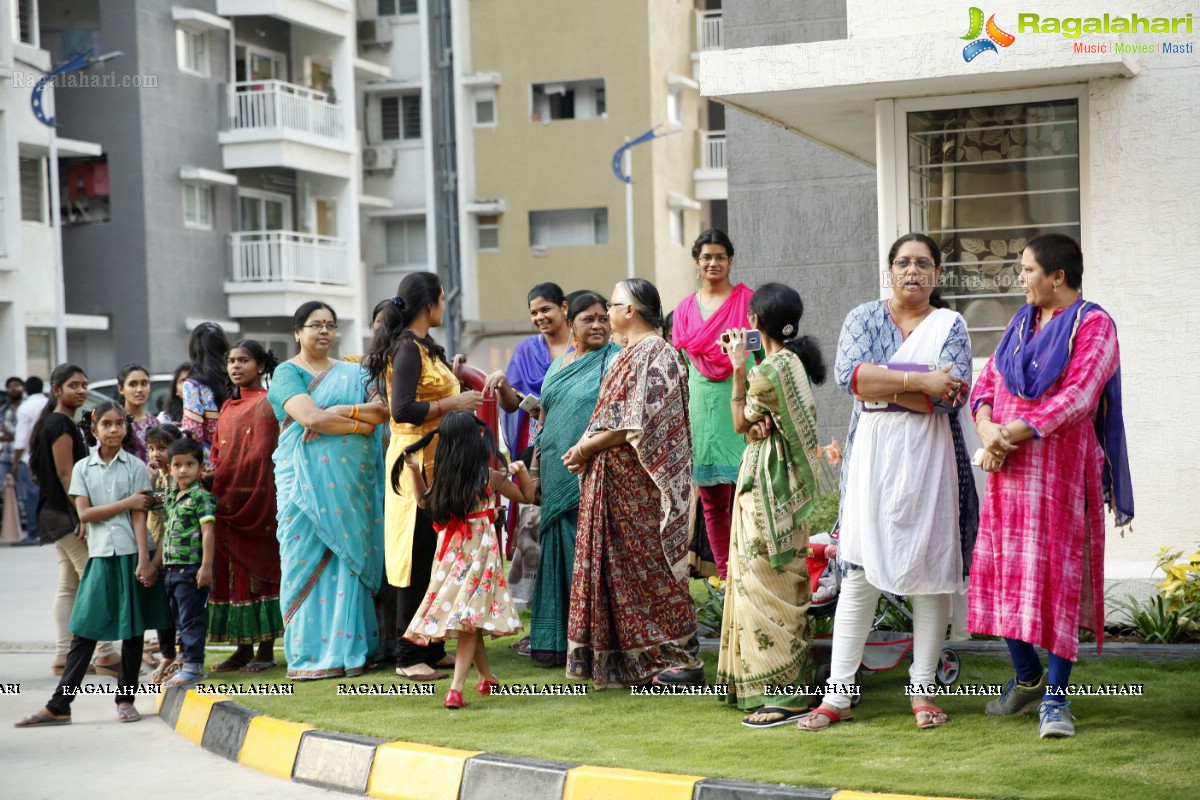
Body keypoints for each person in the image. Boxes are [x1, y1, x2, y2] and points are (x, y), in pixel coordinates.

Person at [800, 233, 976, 732]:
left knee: (930, 572)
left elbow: (952, 396)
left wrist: (888, 386)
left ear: (937, 275)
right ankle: (837, 696)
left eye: (923, 263)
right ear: (890, 270)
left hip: (931, 456)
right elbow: (852, 380)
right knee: (859, 573)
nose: (913, 271)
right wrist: (921, 381)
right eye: (904, 262)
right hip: (872, 456)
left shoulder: (951, 325)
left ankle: (922, 692)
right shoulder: (863, 317)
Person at [969, 233, 1131, 739]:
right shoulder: (1020, 323)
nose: (1020, 277)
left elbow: (1079, 397)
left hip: (1060, 472)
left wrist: (1007, 435)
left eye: (1027, 269)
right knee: (1001, 575)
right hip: (1007, 473)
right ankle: (1027, 676)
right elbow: (986, 385)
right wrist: (988, 429)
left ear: (1057, 276)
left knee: (1057, 580)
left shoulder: (1093, 325)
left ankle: (1056, 702)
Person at [563, 279, 702, 689]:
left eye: (614, 303)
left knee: (649, 570)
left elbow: (635, 423)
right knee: (618, 572)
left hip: (640, 488)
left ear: (633, 310)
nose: (607, 310)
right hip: (613, 483)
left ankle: (675, 658)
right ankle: (626, 660)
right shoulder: (629, 353)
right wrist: (587, 449)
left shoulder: (655, 353)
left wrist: (587, 447)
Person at [15, 401, 170, 726]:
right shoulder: (83, 468)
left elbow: (140, 515)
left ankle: (126, 700)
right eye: (107, 424)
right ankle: (60, 705)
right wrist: (126, 502)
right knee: (84, 628)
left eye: (119, 424)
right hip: (100, 556)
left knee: (133, 631)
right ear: (95, 428)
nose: (114, 430)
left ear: (126, 428)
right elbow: (85, 513)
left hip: (131, 553)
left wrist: (144, 559)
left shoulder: (136, 467)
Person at [715, 283, 827, 726]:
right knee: (784, 584)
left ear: (755, 321)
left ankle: (786, 696)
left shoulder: (766, 372)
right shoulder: (790, 363)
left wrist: (738, 369)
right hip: (782, 491)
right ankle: (786, 685)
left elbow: (741, 421)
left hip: (766, 491)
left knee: (763, 587)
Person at [365, 272, 482, 681]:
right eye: (443, 298)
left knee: (437, 554)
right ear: (429, 304)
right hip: (414, 459)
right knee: (415, 556)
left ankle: (431, 647)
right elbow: (402, 411)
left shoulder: (423, 347)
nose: (444, 306)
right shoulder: (407, 349)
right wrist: (456, 401)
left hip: (438, 459)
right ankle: (407, 652)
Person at [269, 301, 389, 679]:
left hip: (350, 484)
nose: (324, 331)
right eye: (315, 325)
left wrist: (338, 415)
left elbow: (382, 413)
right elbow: (309, 417)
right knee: (302, 559)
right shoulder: (287, 373)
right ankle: (309, 658)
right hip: (300, 488)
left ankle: (352, 653)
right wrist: (356, 422)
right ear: (297, 332)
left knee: (348, 560)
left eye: (330, 325)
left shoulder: (356, 372)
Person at [398, 411, 534, 708]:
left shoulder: (445, 479)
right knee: (469, 622)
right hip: (480, 560)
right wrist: (522, 470)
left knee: (469, 620)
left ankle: (487, 678)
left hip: (450, 558)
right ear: (475, 442)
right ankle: (456, 689)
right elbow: (527, 496)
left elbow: (423, 503)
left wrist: (413, 471)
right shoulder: (490, 477)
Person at [522, 292, 618, 666]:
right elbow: (543, 422)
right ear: (572, 323)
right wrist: (534, 470)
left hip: (596, 477)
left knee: (589, 556)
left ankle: (594, 643)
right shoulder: (559, 364)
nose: (597, 325)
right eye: (588, 319)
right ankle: (553, 641)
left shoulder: (615, 362)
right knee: (558, 551)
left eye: (603, 318)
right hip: (554, 472)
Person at [673, 229, 756, 581]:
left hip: (743, 403)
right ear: (696, 263)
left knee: (749, 497)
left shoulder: (750, 302)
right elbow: (679, 365)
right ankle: (725, 577)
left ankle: (753, 571)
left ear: (730, 260)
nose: (713, 263)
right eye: (706, 257)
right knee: (712, 502)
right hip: (702, 410)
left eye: (720, 256)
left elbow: (765, 355)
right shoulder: (684, 310)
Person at [28, 365, 121, 676]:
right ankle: (106, 654)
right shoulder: (60, 424)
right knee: (95, 581)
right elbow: (68, 475)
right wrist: (83, 513)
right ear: (57, 390)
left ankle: (63, 655)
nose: (81, 391)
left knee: (69, 584)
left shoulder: (58, 421)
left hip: (55, 512)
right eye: (73, 386)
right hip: (64, 514)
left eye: (84, 385)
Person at [207, 340, 283, 674]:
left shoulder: (268, 405)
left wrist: (224, 474)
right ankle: (241, 648)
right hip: (227, 503)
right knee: (234, 576)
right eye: (232, 361)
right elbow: (217, 453)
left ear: (262, 367)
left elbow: (262, 454)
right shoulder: (227, 407)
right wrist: (210, 474)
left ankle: (265, 648)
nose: (236, 366)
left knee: (260, 574)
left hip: (259, 502)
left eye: (245, 361)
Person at [158, 436, 216, 687]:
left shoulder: (201, 497)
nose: (183, 470)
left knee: (192, 620)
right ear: (169, 468)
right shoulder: (171, 498)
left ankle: (194, 666)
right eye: (177, 465)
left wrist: (206, 567)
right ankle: (183, 663)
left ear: (201, 467)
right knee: (178, 621)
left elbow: (208, 532)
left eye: (190, 464)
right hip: (171, 570)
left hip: (191, 569)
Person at [502, 283, 572, 459]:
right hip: (534, 443)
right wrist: (501, 383)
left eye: (545, 309)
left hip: (574, 436)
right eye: (534, 313)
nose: (540, 317)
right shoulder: (526, 349)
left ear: (564, 307)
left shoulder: (582, 347)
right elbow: (511, 405)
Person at [144, 423, 182, 682]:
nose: (156, 454)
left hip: (177, 553)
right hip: (155, 548)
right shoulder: (153, 478)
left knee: (180, 609)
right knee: (161, 608)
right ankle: (167, 654)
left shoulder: (180, 477)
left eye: (162, 448)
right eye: (151, 449)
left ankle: (184, 657)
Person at [182, 323, 229, 459]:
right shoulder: (234, 379)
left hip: (209, 460)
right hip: (237, 455)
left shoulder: (193, 385)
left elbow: (193, 432)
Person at [13, 376, 49, 542]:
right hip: (50, 457)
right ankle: (50, 531)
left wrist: (15, 462)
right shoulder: (49, 403)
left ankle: (34, 533)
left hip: (30, 458)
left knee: (31, 496)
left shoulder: (25, 408)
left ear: (26, 390)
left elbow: (21, 439)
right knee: (48, 496)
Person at [117, 364, 155, 462]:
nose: (139, 389)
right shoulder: (115, 422)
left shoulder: (155, 423)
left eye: (144, 383)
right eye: (133, 384)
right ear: (121, 389)